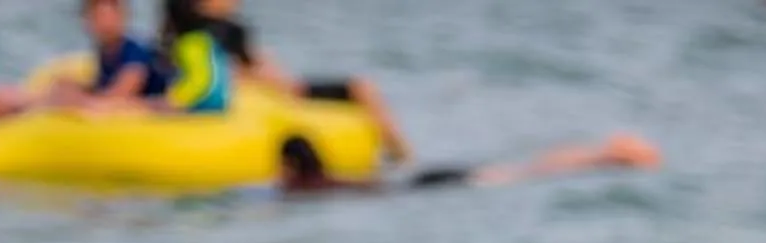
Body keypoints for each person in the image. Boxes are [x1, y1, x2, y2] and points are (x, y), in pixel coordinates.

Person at [162, 0, 410, 158]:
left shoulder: (183, 38)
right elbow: (263, 75)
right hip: (278, 96)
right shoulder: (225, 32)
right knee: (362, 87)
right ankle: (402, 155)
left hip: (264, 97)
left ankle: (397, 153)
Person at [275, 133, 660, 195]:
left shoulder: (304, 188)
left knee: (518, 174)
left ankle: (607, 156)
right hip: (417, 180)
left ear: (291, 165)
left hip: (419, 188)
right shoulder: (325, 179)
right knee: (518, 171)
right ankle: (602, 155)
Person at [81, 0, 173, 101]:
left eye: (110, 17)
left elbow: (117, 98)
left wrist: (78, 98)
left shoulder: (136, 54)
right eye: (99, 17)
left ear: (123, 17)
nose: (106, 24)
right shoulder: (106, 54)